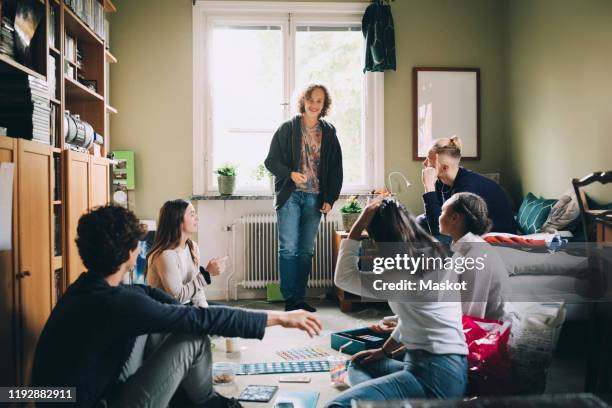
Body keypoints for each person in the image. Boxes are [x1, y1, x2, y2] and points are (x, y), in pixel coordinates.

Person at [31, 205, 322, 408]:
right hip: (96, 402)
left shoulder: (85, 289)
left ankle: (186, 398)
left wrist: (185, 314)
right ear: (132, 252)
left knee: (174, 323)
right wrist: (281, 318)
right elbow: (196, 319)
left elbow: (151, 296)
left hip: (67, 397)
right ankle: (205, 403)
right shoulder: (118, 302)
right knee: (193, 336)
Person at [327, 198, 468, 407]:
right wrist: (384, 351)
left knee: (336, 405)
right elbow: (412, 317)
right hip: (451, 369)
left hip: (431, 375)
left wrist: (358, 225)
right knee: (358, 363)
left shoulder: (398, 273)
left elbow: (344, 278)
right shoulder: (437, 256)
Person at [265, 84, 343, 312]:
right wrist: (290, 174)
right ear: (303, 101)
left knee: (306, 250)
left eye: (319, 100)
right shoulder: (287, 129)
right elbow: (270, 161)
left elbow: (336, 169)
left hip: (315, 199)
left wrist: (330, 198)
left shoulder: (329, 132)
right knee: (288, 248)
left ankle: (299, 297)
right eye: (310, 99)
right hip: (290, 196)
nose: (314, 104)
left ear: (324, 105)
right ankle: (291, 300)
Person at [419, 136, 515, 240]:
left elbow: (442, 237)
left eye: (428, 160)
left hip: (497, 239)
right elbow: (435, 217)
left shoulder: (466, 191)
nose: (424, 163)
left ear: (444, 168)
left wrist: (428, 187)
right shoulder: (442, 182)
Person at [439, 192, 506, 320]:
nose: (439, 217)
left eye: (442, 212)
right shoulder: (464, 250)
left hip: (489, 331)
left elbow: (471, 317)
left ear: (454, 218)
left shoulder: (475, 257)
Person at [147, 199, 223, 307]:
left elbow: (197, 289)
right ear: (178, 221)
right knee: (228, 316)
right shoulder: (164, 255)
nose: (197, 217)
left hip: (187, 307)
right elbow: (177, 297)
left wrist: (204, 309)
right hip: (169, 313)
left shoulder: (193, 247)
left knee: (230, 312)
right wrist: (207, 274)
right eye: (192, 214)